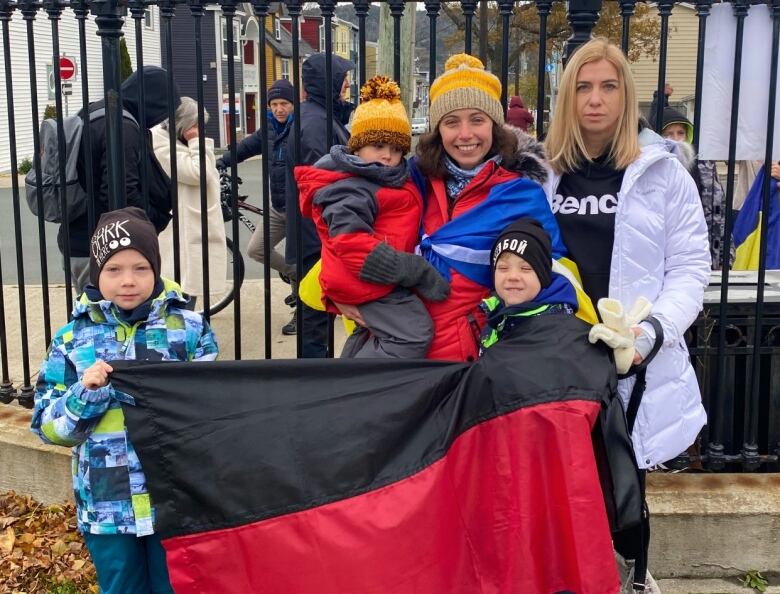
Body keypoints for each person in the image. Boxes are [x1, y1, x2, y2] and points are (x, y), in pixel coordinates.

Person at [544, 38, 711, 592]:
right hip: (558, 355)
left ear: (626, 94)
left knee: (623, 484)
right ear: (568, 96)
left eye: (608, 87)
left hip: (629, 356)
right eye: (583, 87)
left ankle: (634, 579)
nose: (595, 100)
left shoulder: (665, 174)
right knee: (560, 485)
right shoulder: (542, 173)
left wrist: (651, 333)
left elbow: (690, 268)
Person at [30, 206, 218, 594]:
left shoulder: (190, 330)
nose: (128, 281)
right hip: (106, 506)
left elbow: (212, 410)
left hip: (174, 497)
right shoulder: (71, 339)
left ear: (156, 269)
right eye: (114, 269)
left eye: (141, 268)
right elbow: (48, 427)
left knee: (177, 586)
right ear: (97, 272)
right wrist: (86, 395)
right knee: (122, 588)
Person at [406, 53, 566, 363]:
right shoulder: (412, 184)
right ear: (438, 131)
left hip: (480, 360)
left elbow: (553, 273)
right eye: (452, 122)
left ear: (494, 126)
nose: (465, 135)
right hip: (404, 353)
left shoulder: (521, 195)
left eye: (477, 120)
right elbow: (357, 244)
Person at [296, 75, 449, 358]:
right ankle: (361, 386)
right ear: (357, 146)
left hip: (370, 279)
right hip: (366, 279)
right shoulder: (352, 186)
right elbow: (350, 243)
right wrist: (415, 270)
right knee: (415, 333)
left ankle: (350, 370)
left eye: (396, 149)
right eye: (378, 146)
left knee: (371, 332)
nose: (388, 156)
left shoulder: (386, 179)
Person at [66, 66, 179, 296]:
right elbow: (120, 194)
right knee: (105, 321)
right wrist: (151, 222)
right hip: (103, 243)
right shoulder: (121, 126)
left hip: (78, 235)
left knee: (92, 317)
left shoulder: (93, 112)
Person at [285, 52, 355, 355]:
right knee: (314, 317)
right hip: (317, 237)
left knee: (318, 316)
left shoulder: (318, 117)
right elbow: (323, 187)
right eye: (343, 82)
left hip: (314, 235)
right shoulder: (317, 123)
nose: (347, 87)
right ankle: (313, 379)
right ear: (329, 83)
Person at [217, 79, 296, 331]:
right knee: (256, 249)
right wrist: (221, 162)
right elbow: (243, 149)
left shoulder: (304, 127)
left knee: (300, 254)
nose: (279, 109)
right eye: (274, 104)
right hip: (277, 206)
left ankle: (303, 313)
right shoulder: (269, 129)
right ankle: (296, 273)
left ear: (294, 104)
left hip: (300, 209)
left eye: (284, 103)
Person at [152, 97, 226, 308]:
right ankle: (183, 336)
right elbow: (198, 173)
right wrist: (195, 141)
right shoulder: (162, 145)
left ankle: (187, 334)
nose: (198, 129)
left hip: (192, 223)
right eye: (195, 125)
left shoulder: (176, 142)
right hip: (181, 227)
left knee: (191, 283)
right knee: (181, 286)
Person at [649, 86, 732, 269]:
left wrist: (723, 254)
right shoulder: (652, 167)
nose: (676, 139)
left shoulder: (702, 165)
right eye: (669, 134)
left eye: (681, 133)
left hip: (699, 244)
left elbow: (719, 211)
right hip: (665, 249)